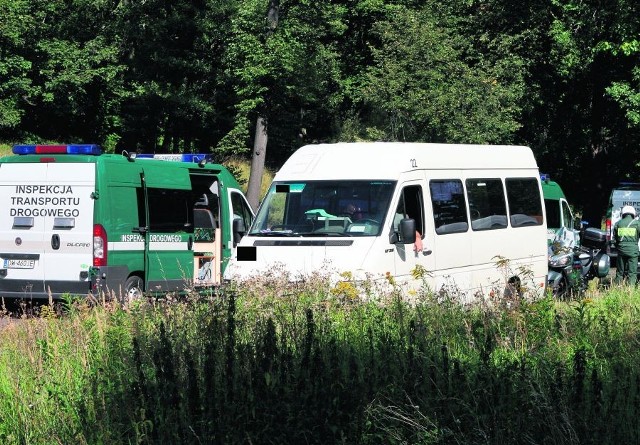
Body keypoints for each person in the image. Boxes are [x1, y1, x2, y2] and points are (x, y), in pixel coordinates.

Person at [614, 205, 640, 285]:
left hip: (621, 250)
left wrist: (618, 247)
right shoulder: (637, 223)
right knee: (632, 273)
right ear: (633, 214)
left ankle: (617, 289)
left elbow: (615, 238)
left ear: (623, 213)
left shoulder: (618, 224)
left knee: (619, 272)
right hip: (633, 251)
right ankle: (630, 291)